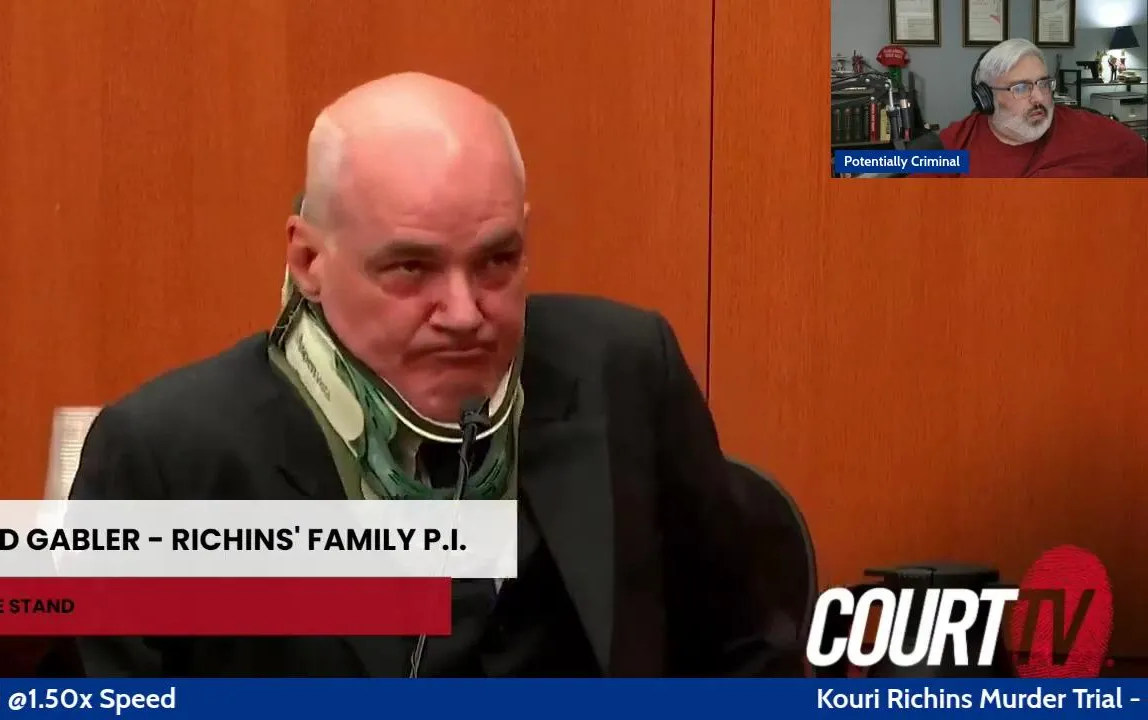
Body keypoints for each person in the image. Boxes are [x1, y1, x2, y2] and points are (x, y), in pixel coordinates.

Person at [70, 72, 801, 677]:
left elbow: (747, 658)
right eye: (410, 267)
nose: (463, 312)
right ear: (309, 260)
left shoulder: (625, 369)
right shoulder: (166, 455)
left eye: (497, 261)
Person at [937, 38, 1146, 178]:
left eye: (1044, 84)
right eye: (1021, 88)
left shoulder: (1094, 133)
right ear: (986, 98)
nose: (1039, 97)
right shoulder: (959, 145)